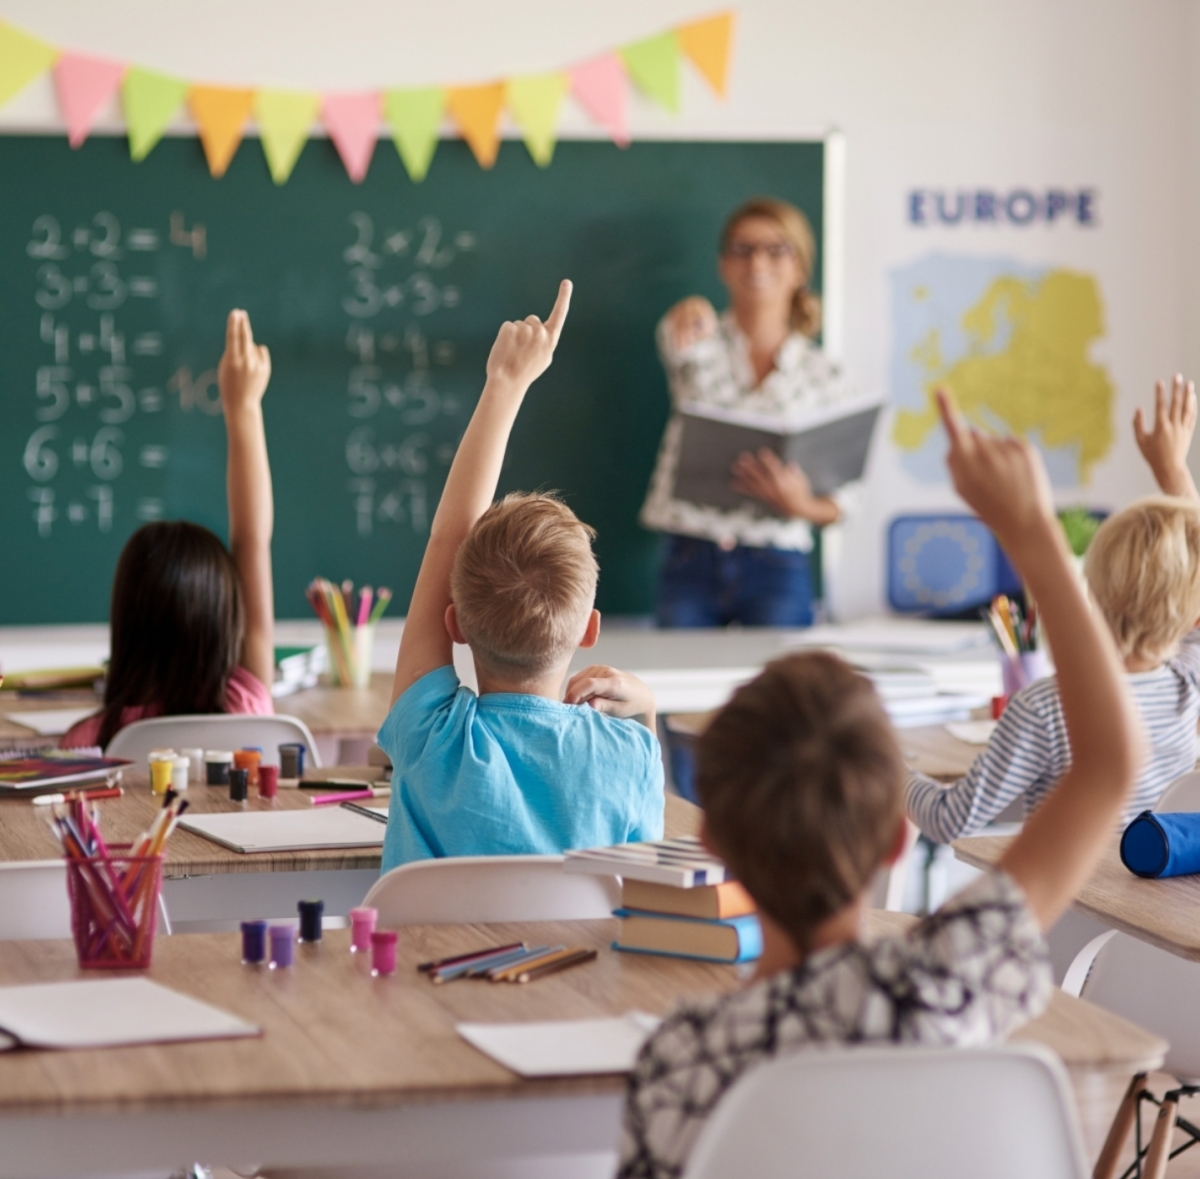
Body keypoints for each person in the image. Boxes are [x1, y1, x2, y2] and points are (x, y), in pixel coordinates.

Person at [617, 388, 1144, 1179]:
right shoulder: (948, 981)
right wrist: (1033, 536)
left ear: (712, 841)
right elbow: (1109, 764)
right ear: (898, 834)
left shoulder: (685, 1059)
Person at [376, 280, 664, 870]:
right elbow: (644, 879)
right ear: (589, 629)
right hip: (579, 965)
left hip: (423, 965)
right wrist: (647, 712)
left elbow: (446, 539)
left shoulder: (434, 740)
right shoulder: (629, 755)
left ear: (454, 623)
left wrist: (503, 386)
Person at [907, 375, 1200, 843]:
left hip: (1060, 905)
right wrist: (1173, 469)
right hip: (1140, 913)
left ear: (1092, 590)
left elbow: (949, 819)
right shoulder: (1187, 688)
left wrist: (892, 769)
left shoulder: (1046, 706)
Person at [640, 197, 858, 628]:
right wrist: (687, 313)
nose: (757, 260)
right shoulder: (696, 339)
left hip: (777, 562)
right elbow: (672, 336)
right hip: (690, 555)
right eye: (743, 248)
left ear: (799, 268)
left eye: (776, 249)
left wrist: (802, 505)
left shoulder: (825, 374)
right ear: (724, 264)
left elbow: (844, 502)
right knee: (680, 688)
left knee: (784, 692)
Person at [63, 310, 275, 749]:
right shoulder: (246, 705)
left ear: (126, 620)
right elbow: (252, 540)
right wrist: (244, 408)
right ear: (226, 619)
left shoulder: (91, 742)